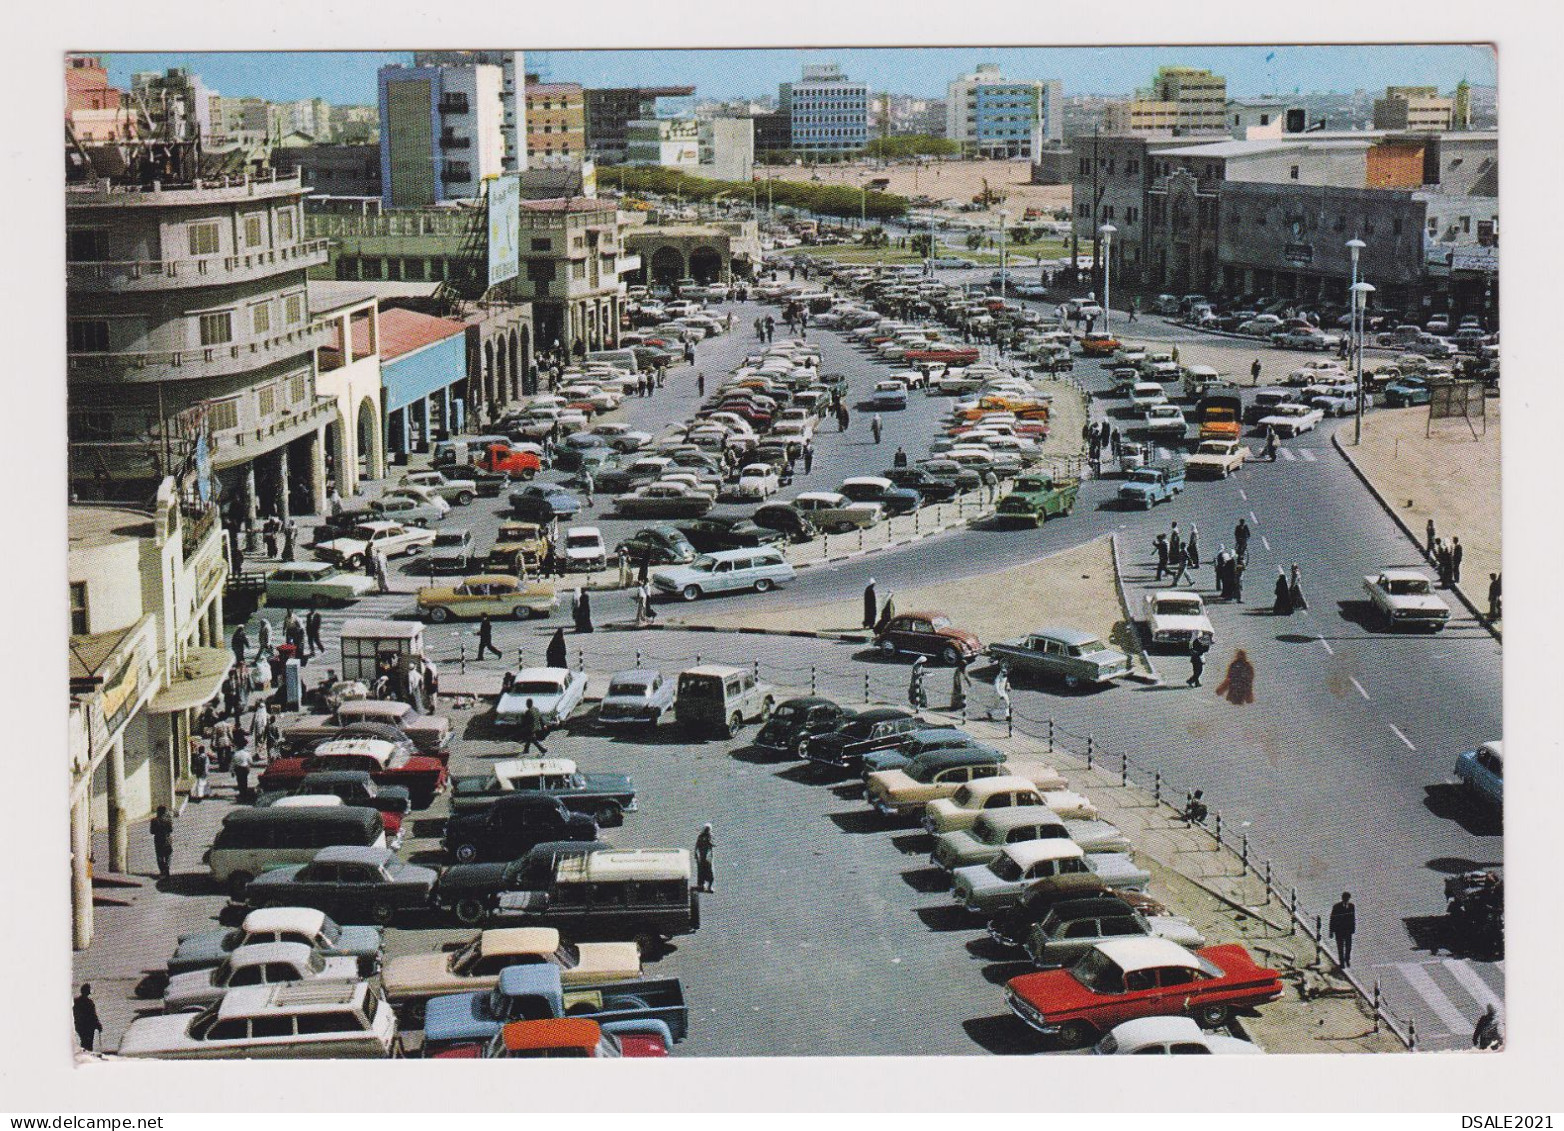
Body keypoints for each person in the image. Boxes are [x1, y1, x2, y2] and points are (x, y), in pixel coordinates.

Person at [1329, 892, 1356, 968]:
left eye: (1348, 899)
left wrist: (1353, 928)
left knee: (1348, 947)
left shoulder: (1351, 906)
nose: (1346, 900)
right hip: (1339, 931)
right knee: (1340, 947)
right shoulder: (1336, 907)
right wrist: (1331, 931)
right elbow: (1332, 919)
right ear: (1342, 898)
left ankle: (1347, 960)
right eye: (1345, 899)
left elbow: (1353, 918)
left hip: (1348, 931)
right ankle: (1342, 963)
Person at [73, 985, 102, 1053]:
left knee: (84, 1041)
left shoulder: (76, 1001)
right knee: (88, 1043)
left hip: (79, 1026)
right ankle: (87, 1056)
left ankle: (84, 1054)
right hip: (89, 1026)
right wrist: (98, 1025)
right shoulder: (89, 1002)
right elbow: (93, 1015)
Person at [150, 805, 174, 878]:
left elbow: (152, 831)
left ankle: (162, 870)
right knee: (168, 855)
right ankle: (167, 868)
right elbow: (171, 830)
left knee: (159, 856)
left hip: (158, 840)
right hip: (167, 839)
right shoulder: (168, 820)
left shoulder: (154, 820)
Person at [695, 824, 715, 893]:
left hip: (708, 858)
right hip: (702, 858)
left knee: (710, 873)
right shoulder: (700, 837)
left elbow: (713, 844)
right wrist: (696, 855)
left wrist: (709, 841)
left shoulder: (710, 836)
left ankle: (709, 887)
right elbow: (697, 846)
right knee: (701, 872)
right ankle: (701, 886)